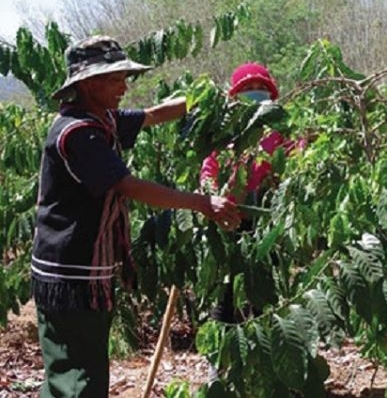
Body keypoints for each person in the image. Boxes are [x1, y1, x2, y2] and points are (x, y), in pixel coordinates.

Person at [32, 35, 241, 397]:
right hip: (70, 276)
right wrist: (203, 203)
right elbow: (128, 185)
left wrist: (212, 100)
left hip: (81, 271)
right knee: (79, 380)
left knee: (71, 369)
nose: (124, 87)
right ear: (88, 83)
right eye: (115, 80)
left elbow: (155, 114)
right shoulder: (78, 133)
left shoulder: (101, 120)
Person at [200, 62, 301, 323]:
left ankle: (258, 348)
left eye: (260, 88)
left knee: (262, 283)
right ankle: (221, 350)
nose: (256, 93)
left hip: (267, 216)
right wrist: (210, 193)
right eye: (248, 88)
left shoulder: (279, 129)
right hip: (231, 214)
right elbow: (209, 167)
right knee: (227, 286)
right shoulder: (226, 131)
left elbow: (297, 159)